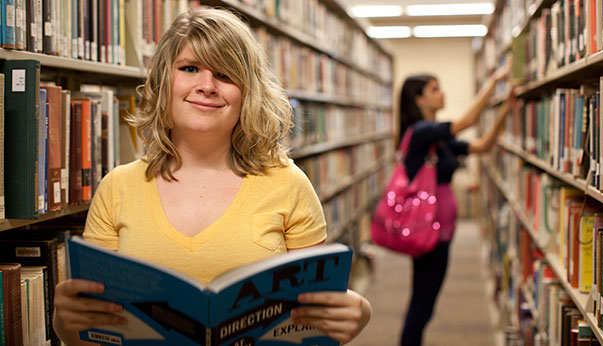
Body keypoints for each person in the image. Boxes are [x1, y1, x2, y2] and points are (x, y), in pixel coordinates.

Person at [52, 8, 371, 345]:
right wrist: (65, 320)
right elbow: (89, 330)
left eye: (224, 74)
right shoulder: (117, 187)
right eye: (190, 69)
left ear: (247, 92)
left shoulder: (288, 183)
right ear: (164, 81)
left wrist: (358, 312)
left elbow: (318, 314)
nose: (206, 86)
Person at [398, 68, 514, 346]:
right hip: (428, 231)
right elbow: (468, 120)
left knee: (425, 301)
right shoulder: (420, 132)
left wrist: (505, 111)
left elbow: (482, 146)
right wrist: (495, 83)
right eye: (435, 89)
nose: (442, 93)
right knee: (421, 303)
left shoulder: (437, 139)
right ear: (419, 100)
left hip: (443, 231)